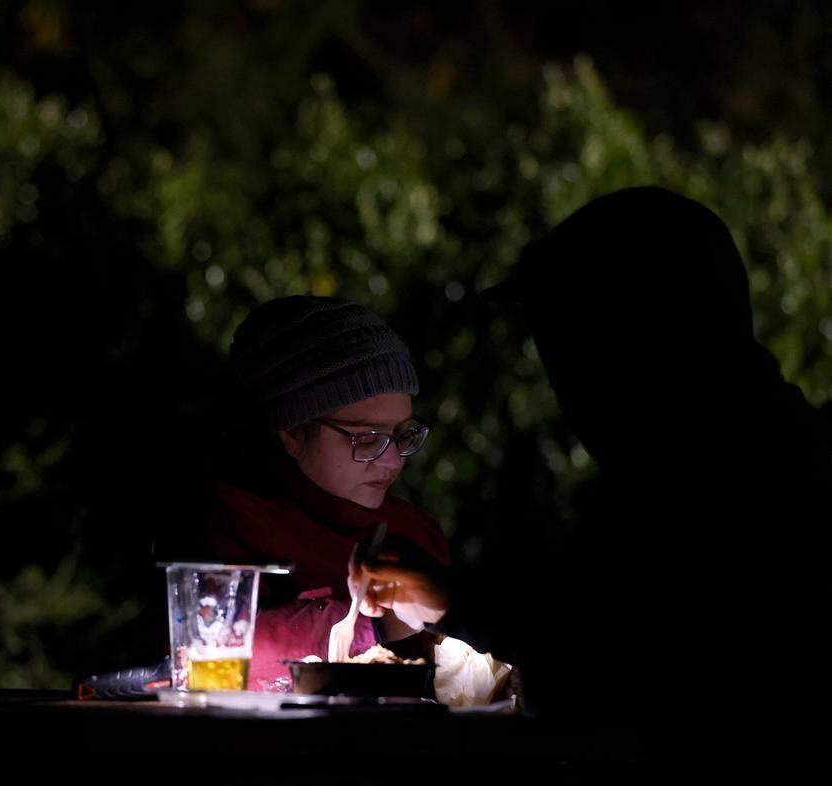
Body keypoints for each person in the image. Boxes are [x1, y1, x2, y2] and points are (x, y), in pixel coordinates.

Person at [351, 186, 832, 761]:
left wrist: (456, 606)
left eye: (572, 354)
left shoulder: (741, 486)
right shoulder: (720, 460)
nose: (568, 395)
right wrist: (450, 603)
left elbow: (617, 669)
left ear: (642, 340)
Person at [176, 295, 451, 690]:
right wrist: (373, 625)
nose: (392, 462)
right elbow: (210, 654)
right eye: (367, 439)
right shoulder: (227, 525)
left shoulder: (412, 534)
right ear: (291, 431)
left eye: (401, 435)